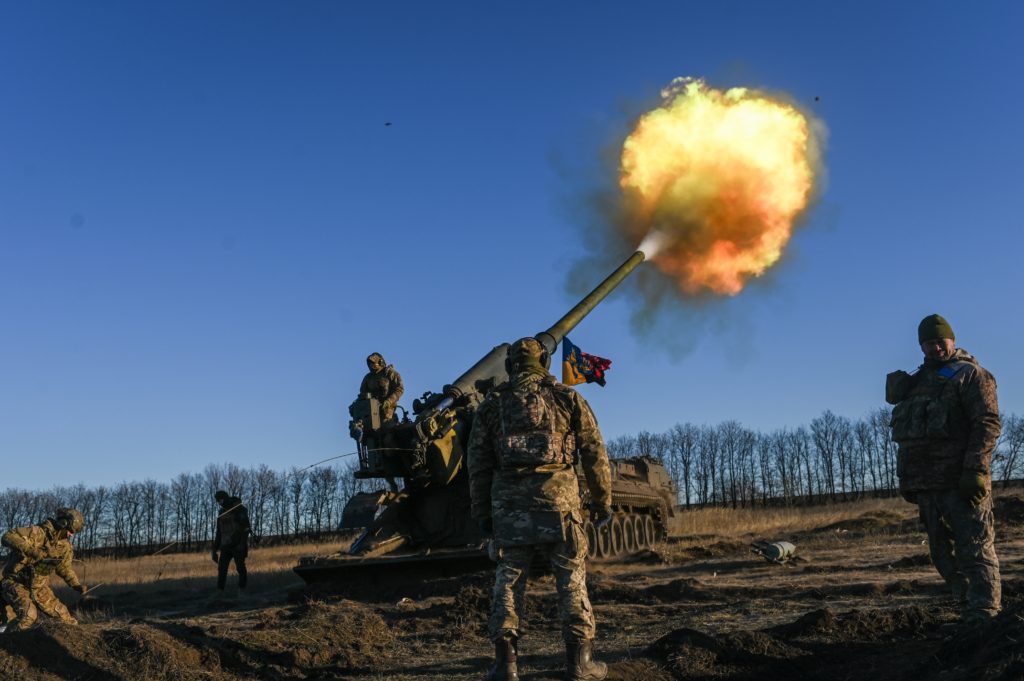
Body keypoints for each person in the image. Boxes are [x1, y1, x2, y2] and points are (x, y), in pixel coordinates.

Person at [468, 337, 613, 681]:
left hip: (509, 510)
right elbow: (594, 452)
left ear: (510, 365)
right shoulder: (568, 398)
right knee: (571, 580)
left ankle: (506, 665)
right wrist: (601, 501)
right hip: (561, 507)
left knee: (508, 583)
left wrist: (483, 514)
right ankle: (580, 665)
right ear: (543, 362)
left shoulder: (492, 406)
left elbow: (478, 464)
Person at [887, 313, 1002, 624]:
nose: (936, 348)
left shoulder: (971, 375)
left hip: (961, 482)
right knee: (941, 554)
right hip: (927, 485)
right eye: (928, 343)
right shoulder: (918, 382)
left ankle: (985, 616)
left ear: (952, 340)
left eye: (941, 341)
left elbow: (987, 423)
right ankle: (966, 605)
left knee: (975, 550)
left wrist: (976, 470)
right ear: (921, 347)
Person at [1, 507, 87, 631]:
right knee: (28, 615)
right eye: (70, 531)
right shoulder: (36, 532)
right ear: (63, 523)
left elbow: (64, 568)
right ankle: (8, 644)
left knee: (66, 619)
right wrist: (32, 552)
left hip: (40, 588)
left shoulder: (65, 546)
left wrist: (75, 584)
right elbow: (7, 536)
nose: (71, 535)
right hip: (16, 583)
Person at [212, 490, 251, 593]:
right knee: (222, 568)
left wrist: (242, 544)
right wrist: (214, 550)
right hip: (225, 546)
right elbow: (219, 532)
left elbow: (246, 528)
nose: (220, 503)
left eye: (220, 500)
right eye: (218, 502)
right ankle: (220, 591)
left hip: (238, 544)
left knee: (240, 568)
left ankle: (242, 590)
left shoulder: (239, 509)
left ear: (225, 498)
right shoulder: (221, 513)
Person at [358, 352, 404, 423]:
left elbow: (400, 389)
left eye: (373, 362)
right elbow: (362, 394)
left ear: (380, 362)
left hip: (387, 408)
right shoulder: (368, 377)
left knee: (386, 425)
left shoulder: (390, 373)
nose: (371, 365)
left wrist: (389, 401)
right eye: (370, 363)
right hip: (371, 409)